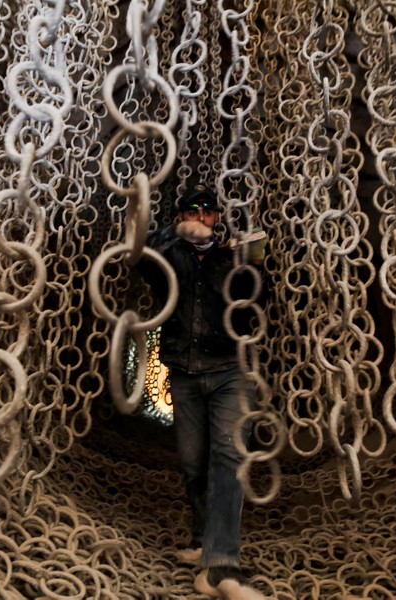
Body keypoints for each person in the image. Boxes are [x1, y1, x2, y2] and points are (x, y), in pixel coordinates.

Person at [137, 184, 267, 600]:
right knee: (194, 463)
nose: (200, 216)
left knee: (228, 457)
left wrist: (250, 263)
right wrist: (174, 235)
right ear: (180, 215)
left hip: (230, 370)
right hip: (184, 372)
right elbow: (138, 258)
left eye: (207, 211)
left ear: (217, 217)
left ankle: (220, 567)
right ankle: (200, 539)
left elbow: (256, 301)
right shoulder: (168, 254)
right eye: (191, 210)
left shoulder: (230, 256)